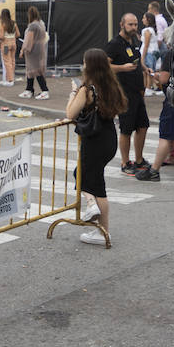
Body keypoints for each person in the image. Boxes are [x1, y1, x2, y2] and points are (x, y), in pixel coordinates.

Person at [65, 48, 127, 244]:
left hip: (93, 140)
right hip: (108, 138)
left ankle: (97, 218)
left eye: (84, 62)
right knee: (93, 180)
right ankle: (102, 229)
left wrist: (73, 93)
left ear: (89, 65)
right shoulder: (111, 86)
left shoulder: (87, 89)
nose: (83, 66)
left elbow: (70, 114)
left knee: (89, 180)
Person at [135, 42, 174, 183]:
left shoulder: (172, 54)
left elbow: (164, 79)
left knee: (166, 136)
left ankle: (154, 170)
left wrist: (156, 77)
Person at [105, 12, 149, 175]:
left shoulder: (135, 40)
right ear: (121, 24)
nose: (134, 27)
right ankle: (125, 162)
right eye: (130, 24)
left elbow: (138, 60)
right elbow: (104, 65)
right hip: (123, 93)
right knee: (126, 129)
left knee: (143, 126)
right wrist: (122, 68)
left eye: (136, 24)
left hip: (137, 92)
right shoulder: (114, 44)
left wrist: (144, 68)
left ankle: (139, 159)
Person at [19, 6, 50, 99]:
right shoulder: (41, 24)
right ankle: (29, 89)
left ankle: (44, 90)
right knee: (35, 69)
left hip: (33, 50)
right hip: (40, 48)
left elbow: (29, 39)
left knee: (33, 69)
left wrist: (23, 49)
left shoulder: (32, 26)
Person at [0, 9, 18, 86]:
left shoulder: (3, 24)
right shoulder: (14, 23)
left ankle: (10, 80)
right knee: (12, 61)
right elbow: (18, 34)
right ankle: (12, 78)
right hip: (13, 44)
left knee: (7, 62)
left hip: (5, 45)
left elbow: (2, 36)